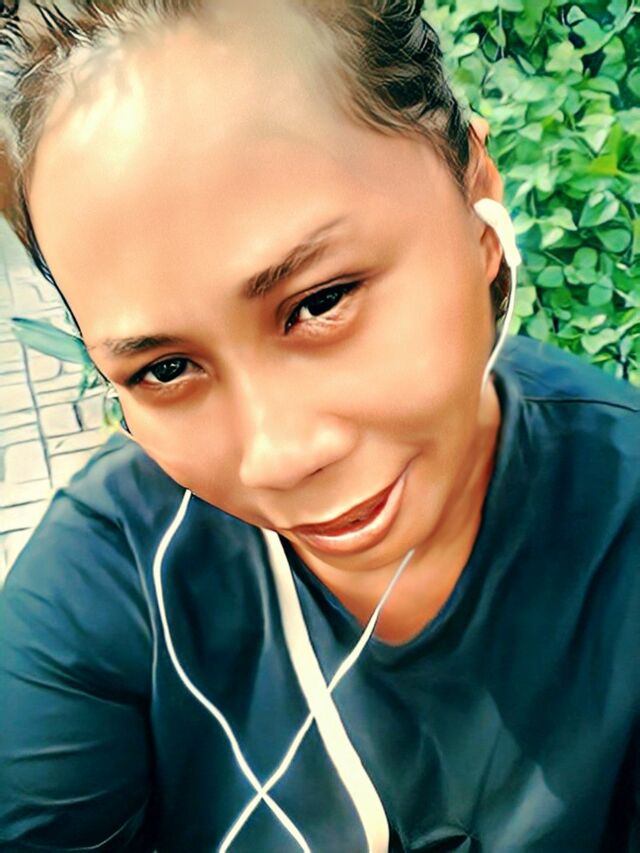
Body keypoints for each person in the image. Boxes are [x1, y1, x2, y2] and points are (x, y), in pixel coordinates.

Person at [0, 1, 639, 850]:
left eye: (322, 301)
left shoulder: (623, 511)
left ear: (477, 198)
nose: (278, 456)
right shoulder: (106, 587)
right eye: (165, 369)